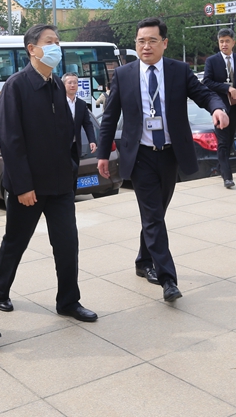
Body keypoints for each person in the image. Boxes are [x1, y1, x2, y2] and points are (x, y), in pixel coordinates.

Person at [97, 17, 228, 302]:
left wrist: (217, 109)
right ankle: (167, 279)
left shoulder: (178, 71)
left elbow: (204, 94)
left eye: (152, 40)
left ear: (164, 43)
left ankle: (143, 261)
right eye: (141, 41)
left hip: (170, 154)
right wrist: (103, 154)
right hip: (140, 155)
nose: (146, 46)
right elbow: (109, 117)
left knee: (156, 213)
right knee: (153, 216)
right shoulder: (124, 74)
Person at [0, 25, 98, 323]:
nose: (56, 47)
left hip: (61, 183)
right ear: (32, 49)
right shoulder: (16, 86)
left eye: (58, 42)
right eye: (50, 42)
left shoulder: (58, 85)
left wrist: (71, 169)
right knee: (16, 240)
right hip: (29, 187)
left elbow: (66, 132)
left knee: (67, 244)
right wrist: (23, 186)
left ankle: (69, 301)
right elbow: (11, 140)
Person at [202, 28, 236, 189]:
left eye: (227, 41)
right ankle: (227, 178)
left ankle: (220, 168)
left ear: (233, 42)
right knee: (223, 143)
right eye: (221, 41)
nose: (224, 44)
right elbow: (207, 81)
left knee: (229, 141)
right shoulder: (212, 61)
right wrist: (227, 88)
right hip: (219, 107)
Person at [62, 72, 97, 188]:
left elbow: (87, 124)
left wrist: (92, 140)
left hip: (75, 145)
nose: (73, 85)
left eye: (75, 83)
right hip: (61, 146)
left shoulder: (81, 104)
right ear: (63, 85)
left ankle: (71, 196)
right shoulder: (58, 103)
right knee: (70, 170)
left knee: (74, 174)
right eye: (69, 83)